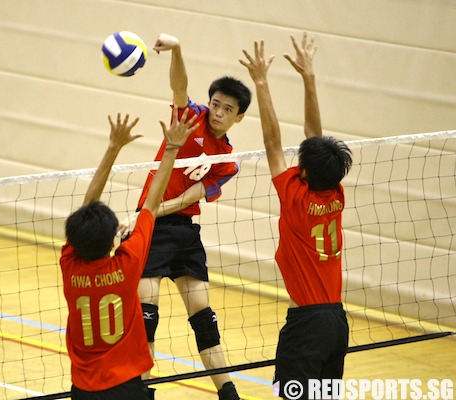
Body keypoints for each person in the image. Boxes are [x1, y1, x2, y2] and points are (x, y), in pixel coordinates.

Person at [119, 33, 252, 400]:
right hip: (152, 229)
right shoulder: (190, 118)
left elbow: (190, 197)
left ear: (239, 118)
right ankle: (141, 393)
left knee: (205, 322)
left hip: (183, 233)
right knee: (146, 318)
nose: (219, 112)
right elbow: (179, 86)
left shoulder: (227, 161)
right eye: (216, 104)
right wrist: (177, 49)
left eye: (228, 109)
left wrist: (146, 213)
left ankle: (229, 395)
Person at [240, 32, 353, 399]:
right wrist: (309, 78)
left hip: (307, 325)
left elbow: (273, 143)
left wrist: (261, 82)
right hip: (338, 320)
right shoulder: (335, 193)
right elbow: (314, 138)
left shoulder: (296, 199)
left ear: (303, 172)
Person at [60, 108, 198, 400]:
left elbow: (88, 205)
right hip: (127, 387)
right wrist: (172, 148)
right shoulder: (128, 263)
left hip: (84, 389)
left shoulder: (69, 266)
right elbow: (152, 202)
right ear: (114, 240)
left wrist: (112, 148)